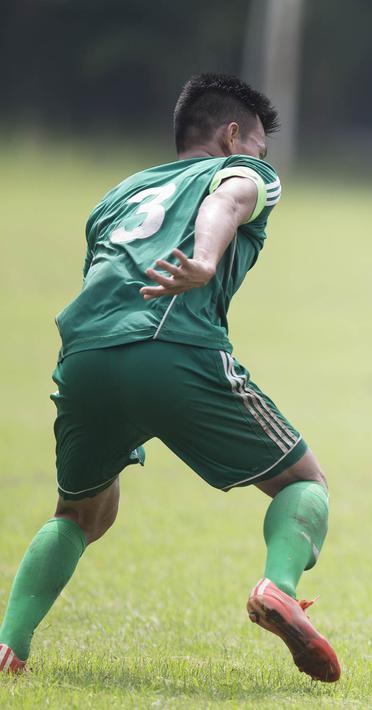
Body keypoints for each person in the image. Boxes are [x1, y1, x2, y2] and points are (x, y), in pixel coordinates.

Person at [0, 74, 339, 682]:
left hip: (84, 355)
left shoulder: (118, 195)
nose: (263, 162)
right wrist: (206, 259)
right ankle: (279, 589)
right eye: (260, 147)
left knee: (81, 514)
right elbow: (227, 202)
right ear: (235, 136)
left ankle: (9, 646)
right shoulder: (244, 173)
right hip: (172, 346)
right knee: (304, 482)